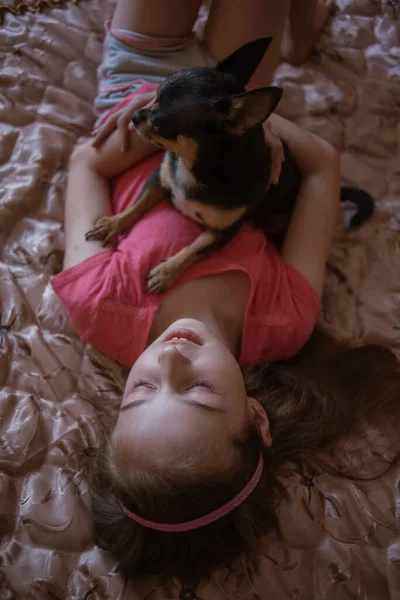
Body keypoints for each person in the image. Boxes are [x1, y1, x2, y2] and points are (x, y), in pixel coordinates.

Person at [50, 0, 400, 589]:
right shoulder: (285, 320)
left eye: (141, 391)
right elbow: (321, 168)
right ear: (257, 417)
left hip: (138, 97)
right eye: (199, 390)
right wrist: (239, 128)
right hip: (222, 113)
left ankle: (298, 26)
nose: (170, 358)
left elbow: (87, 164)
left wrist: (153, 115)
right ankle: (300, 24)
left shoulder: (100, 305)